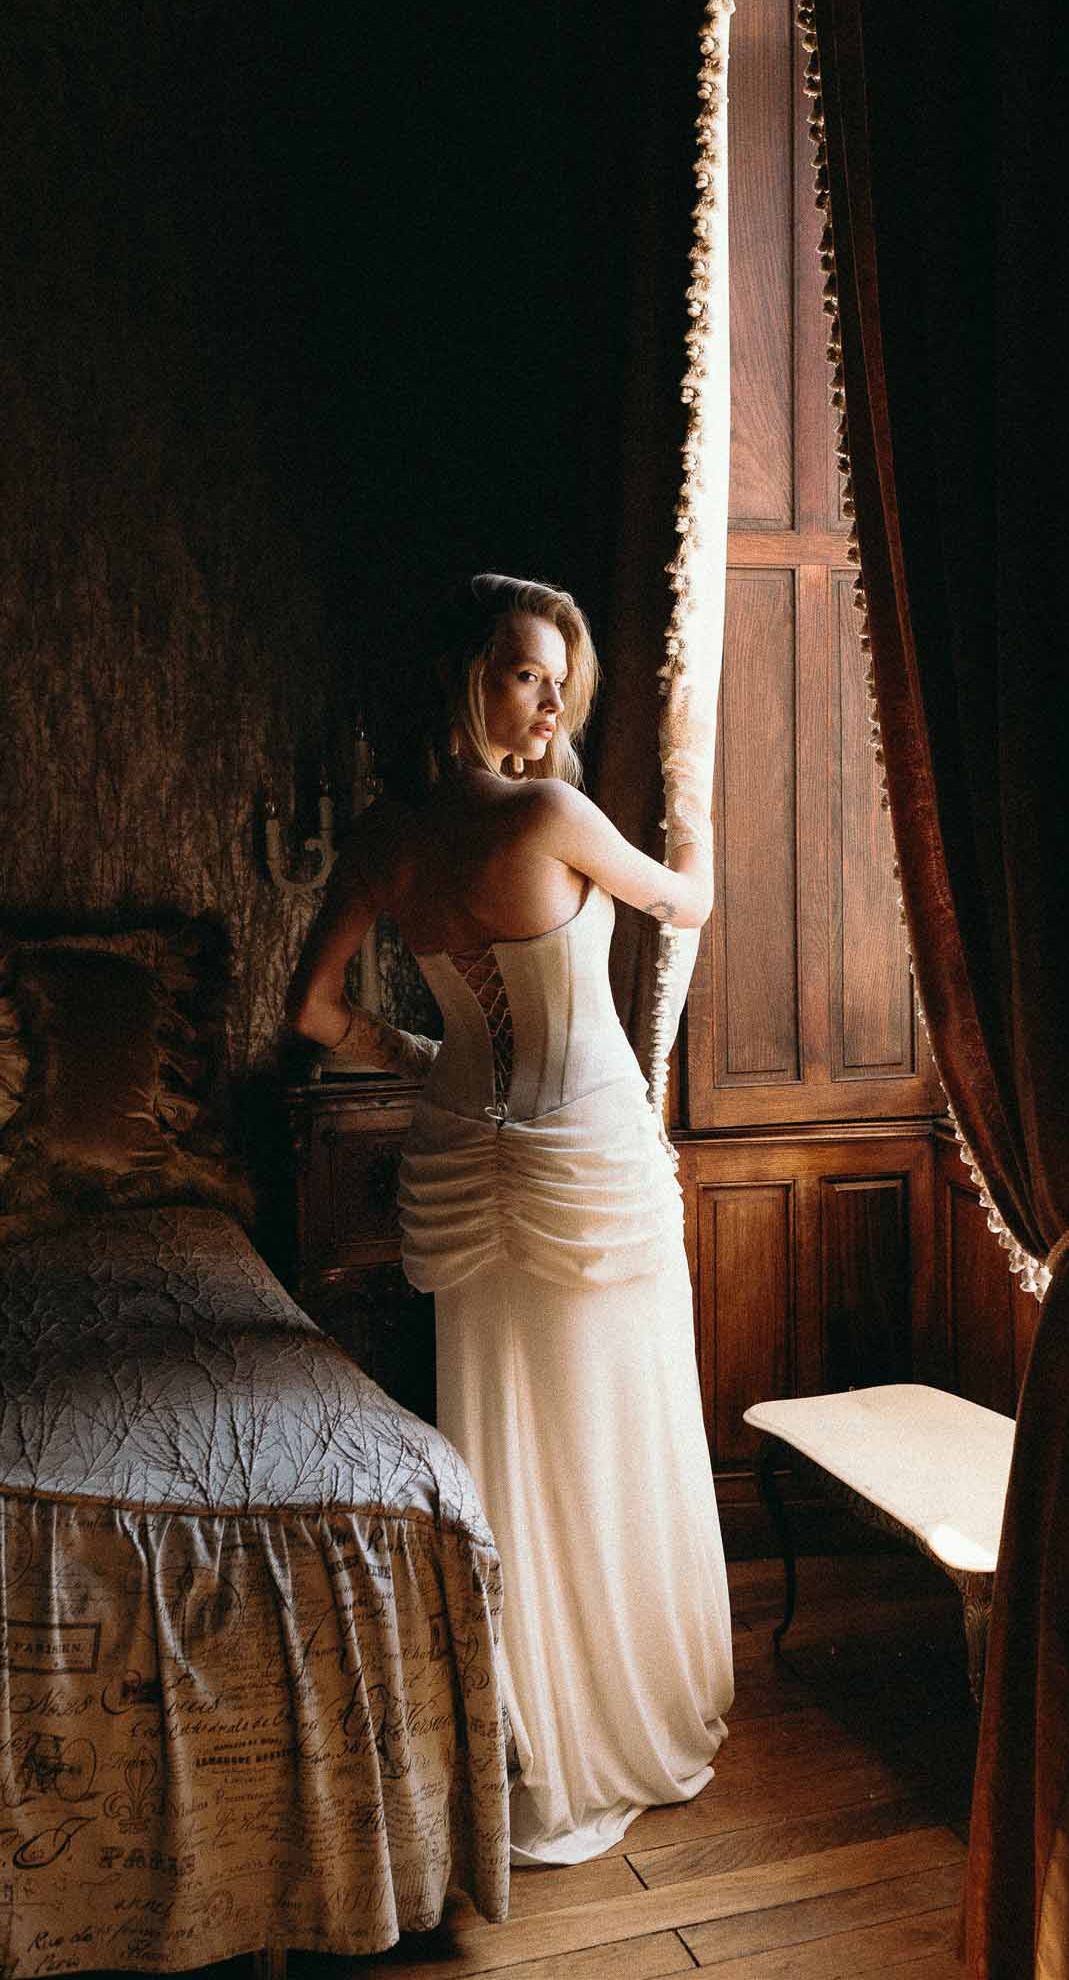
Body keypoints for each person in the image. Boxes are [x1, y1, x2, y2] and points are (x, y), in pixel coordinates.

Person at [286, 572, 733, 1866]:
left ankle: (533, 1725)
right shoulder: (550, 811)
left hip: (470, 1167)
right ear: (467, 678)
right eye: (524, 672)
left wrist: (431, 1063)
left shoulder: (387, 838)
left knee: (516, 1446)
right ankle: (618, 1719)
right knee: (613, 1433)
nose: (545, 703)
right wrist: (697, 813)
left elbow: (315, 1016)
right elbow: (684, 905)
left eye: (556, 681)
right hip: (584, 1160)